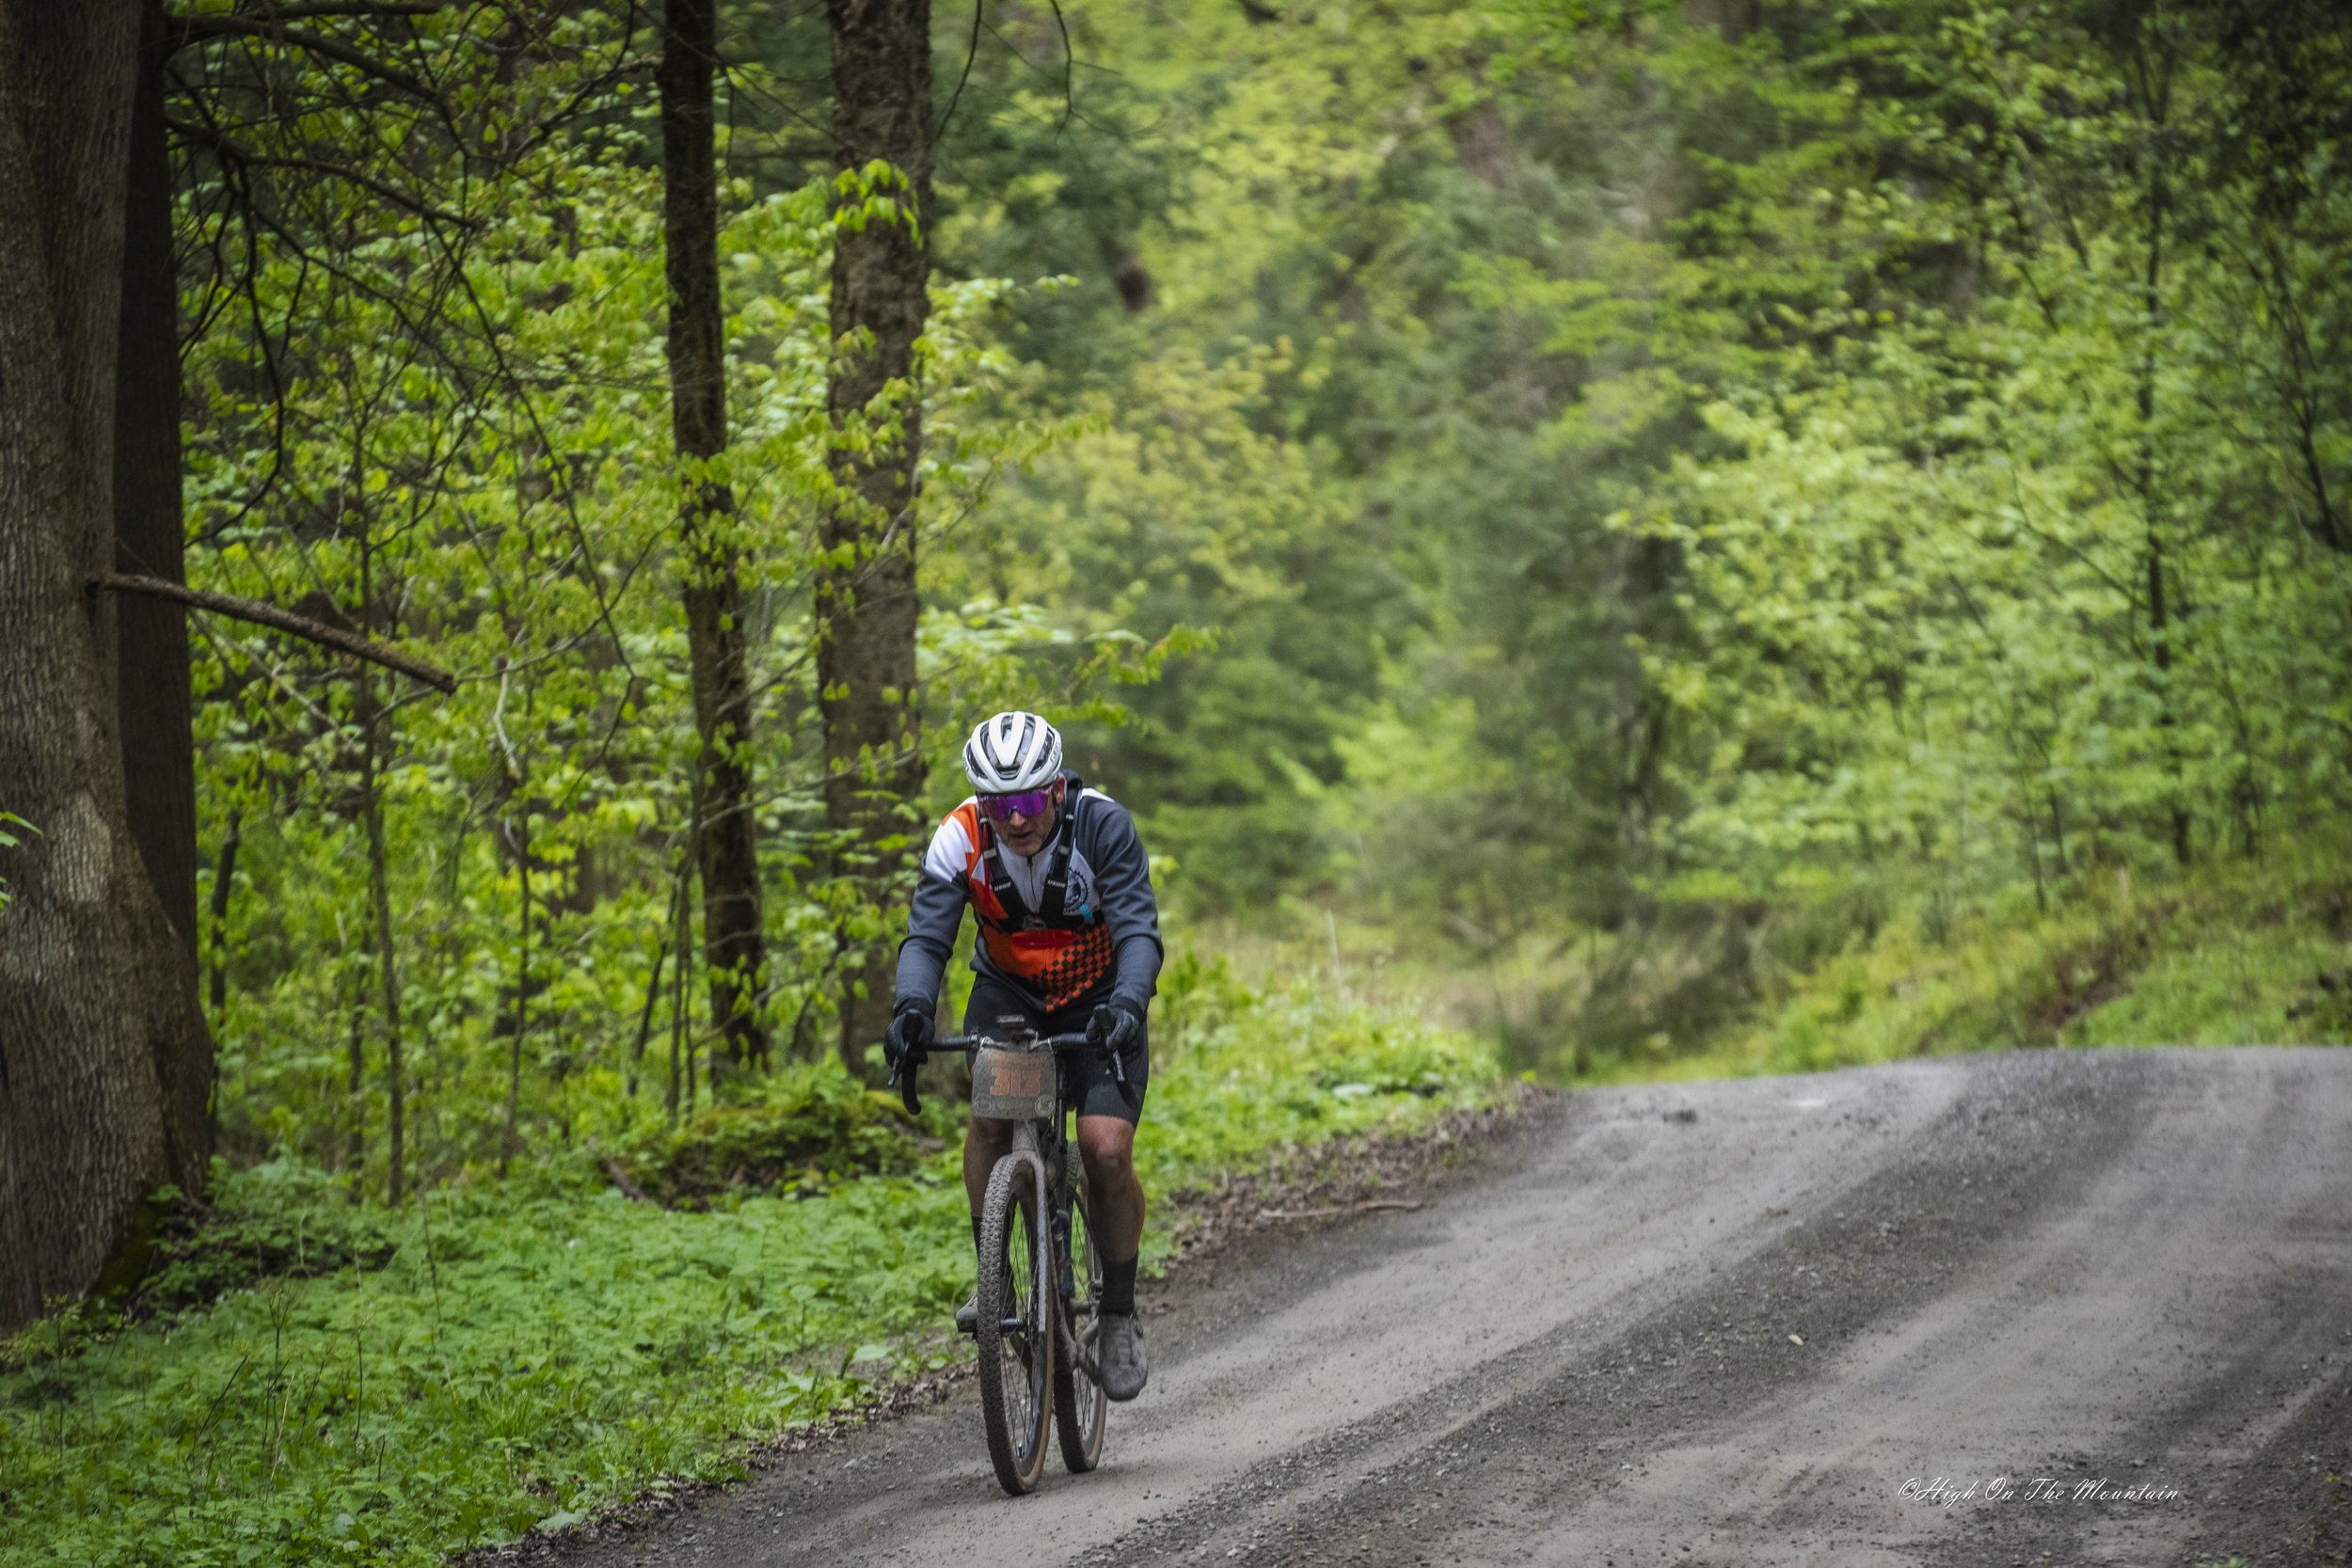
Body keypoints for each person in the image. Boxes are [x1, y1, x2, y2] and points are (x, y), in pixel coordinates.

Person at [883, 711, 1163, 1402]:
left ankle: (1119, 1314)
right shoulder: (959, 837)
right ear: (983, 803)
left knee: (1102, 1149)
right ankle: (997, 1279)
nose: (1016, 820)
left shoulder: (1102, 826)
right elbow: (926, 939)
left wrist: (1127, 1003)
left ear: (1058, 790)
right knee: (989, 1121)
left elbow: (1138, 930)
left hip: (1099, 998)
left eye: (1031, 800)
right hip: (1009, 994)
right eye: (1001, 805)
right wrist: (912, 1008)